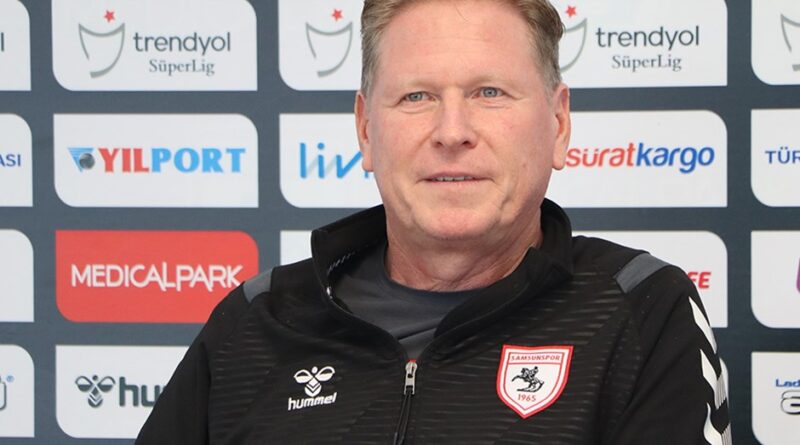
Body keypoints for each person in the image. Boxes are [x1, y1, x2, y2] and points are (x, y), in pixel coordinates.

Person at [137, 0, 731, 443]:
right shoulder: (257, 320)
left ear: (558, 123)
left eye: (490, 92)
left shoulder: (641, 311)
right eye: (416, 97)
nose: (452, 132)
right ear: (365, 130)